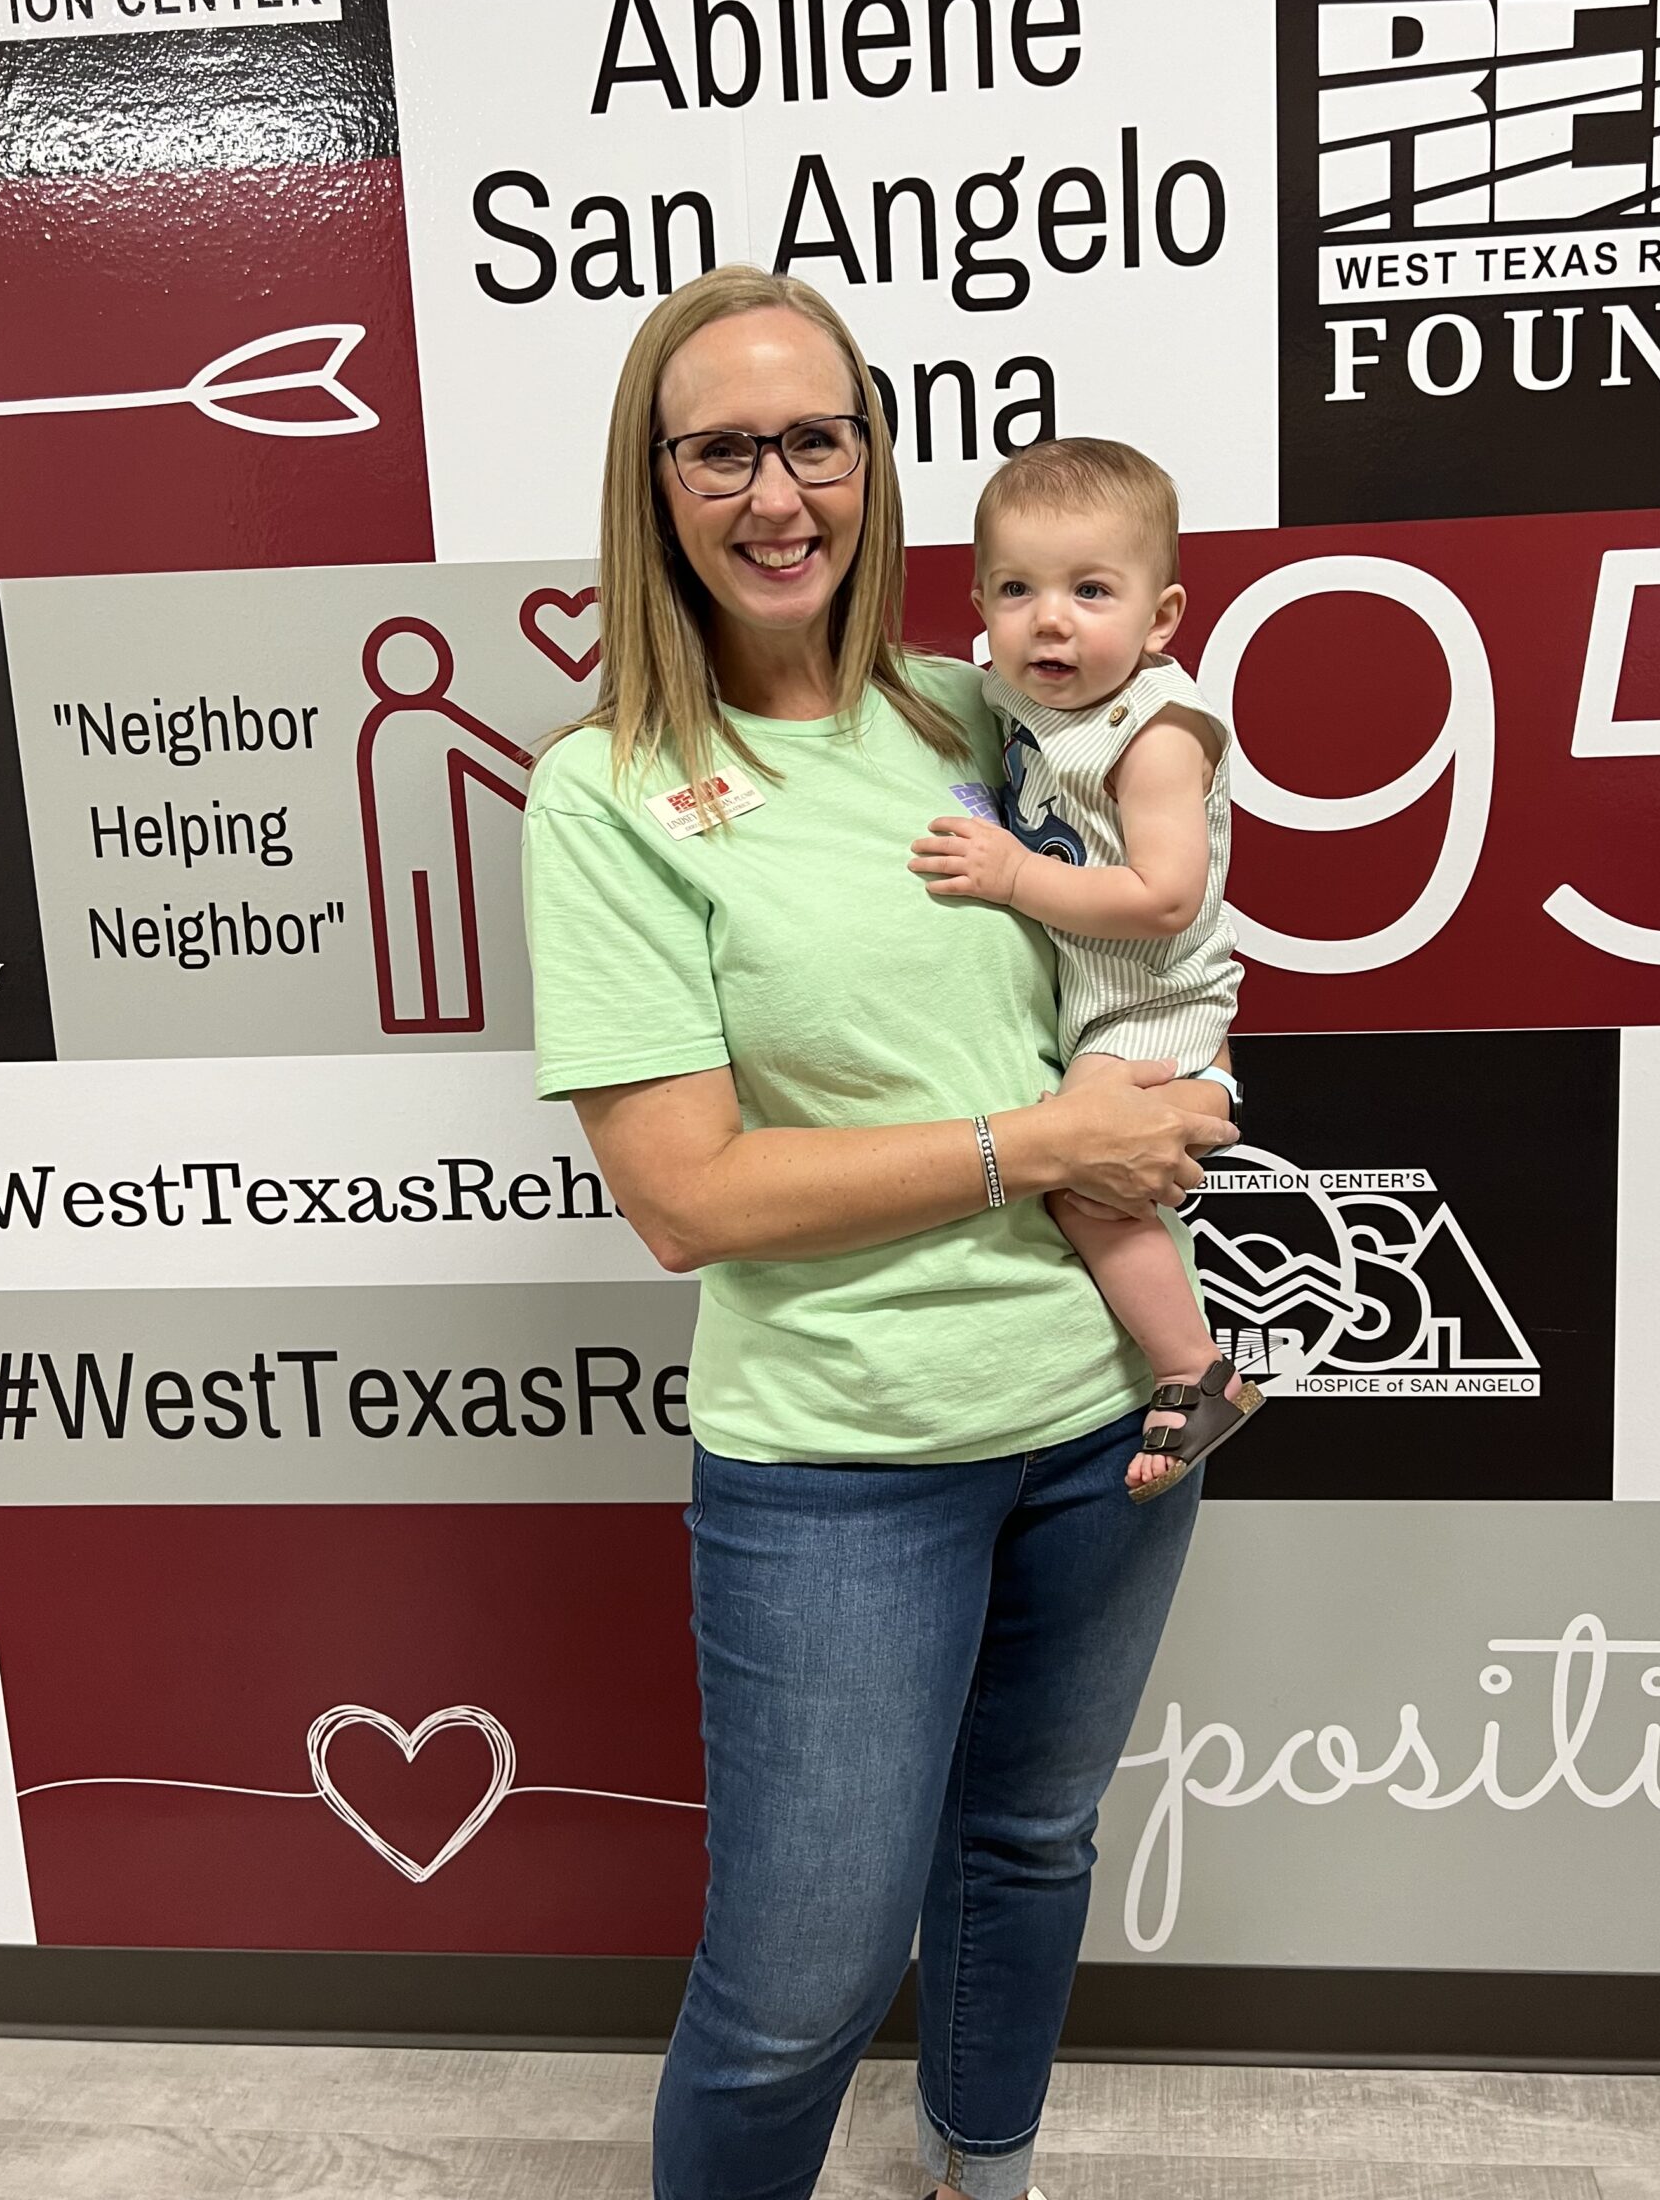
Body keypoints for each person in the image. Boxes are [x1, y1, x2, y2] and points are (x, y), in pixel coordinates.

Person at [521, 265, 1235, 2200]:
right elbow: (685, 1200)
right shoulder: (606, 795)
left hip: (1102, 1424)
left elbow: (1138, 952)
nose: (777, 496)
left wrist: (1161, 1104)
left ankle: (978, 2172)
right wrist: (1045, 1140)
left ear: (874, 461)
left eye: (814, 440)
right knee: (794, 1984)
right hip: (840, 1459)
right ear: (651, 485)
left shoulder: (978, 710)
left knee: (1024, 1850)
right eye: (721, 450)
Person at [909, 439, 1260, 1499]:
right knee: (1075, 1168)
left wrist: (1014, 877)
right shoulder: (1017, 690)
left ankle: (1195, 1369)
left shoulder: (1155, 732)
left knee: (1086, 1183)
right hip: (1099, 1003)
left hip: (1156, 1002)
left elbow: (1164, 895)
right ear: (979, 601)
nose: (1049, 619)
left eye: (1091, 591)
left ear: (1161, 620)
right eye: (1017, 590)